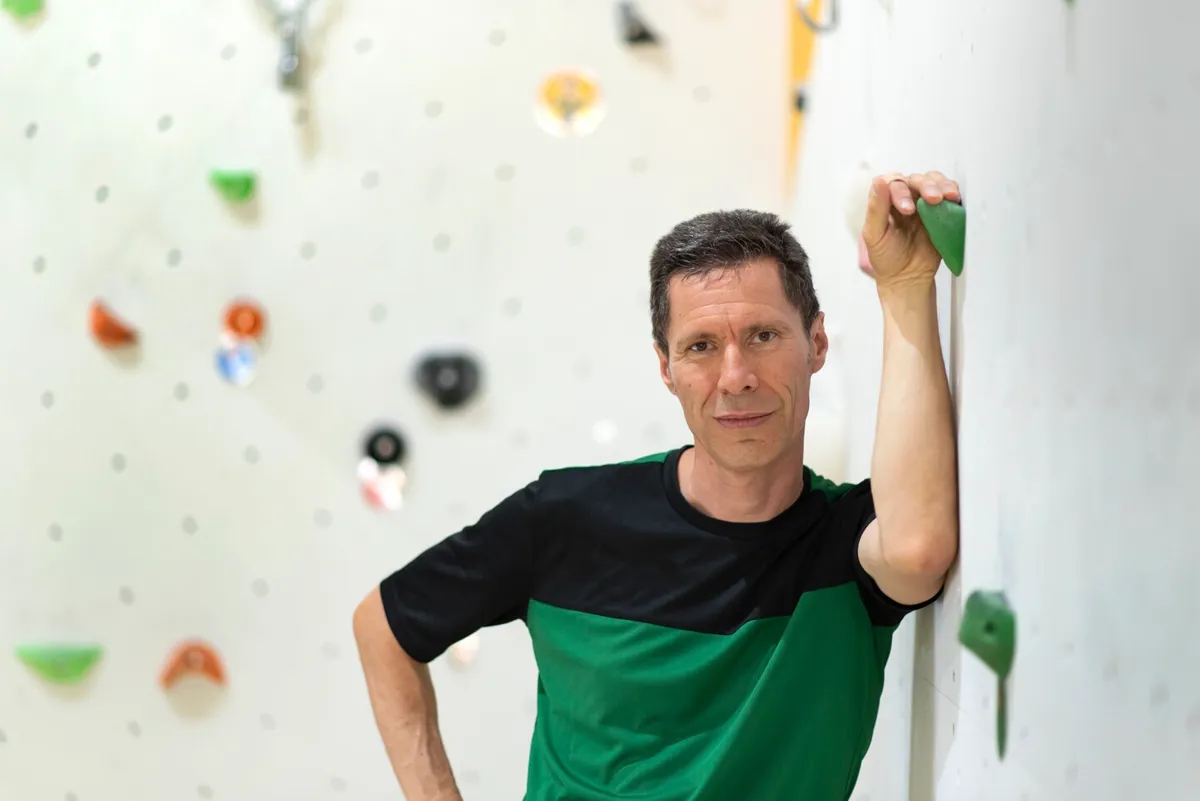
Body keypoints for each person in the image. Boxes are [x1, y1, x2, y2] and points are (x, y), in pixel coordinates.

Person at [353, 171, 961, 801]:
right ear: (666, 369)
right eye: (701, 347)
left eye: (763, 336)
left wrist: (905, 286)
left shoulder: (845, 546)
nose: (736, 376)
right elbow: (383, 625)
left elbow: (917, 551)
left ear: (816, 343)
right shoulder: (565, 519)